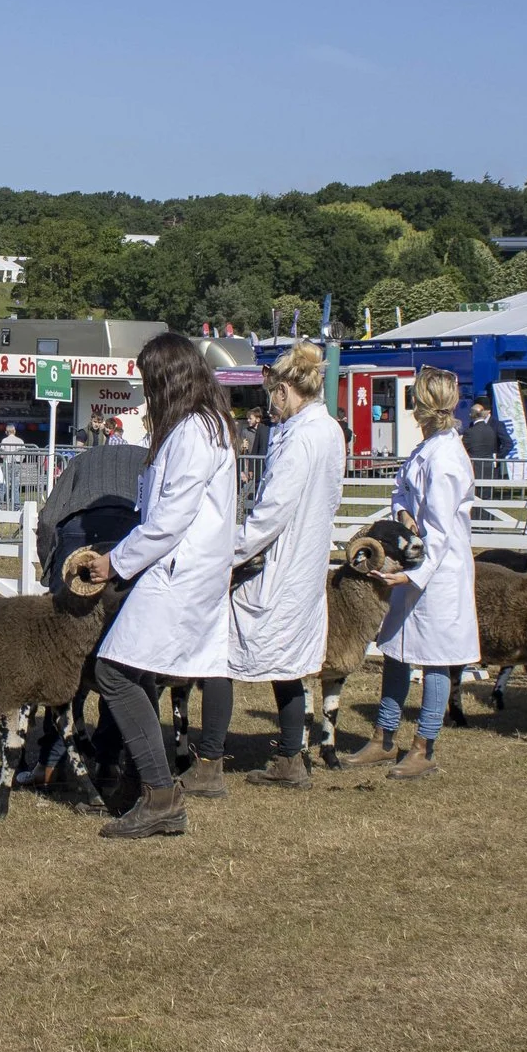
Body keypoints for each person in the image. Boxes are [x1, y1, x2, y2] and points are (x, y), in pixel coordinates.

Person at [76, 331, 238, 834]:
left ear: (168, 380)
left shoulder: (193, 432)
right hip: (181, 571)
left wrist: (114, 563)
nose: (147, 393)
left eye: (150, 382)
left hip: (177, 573)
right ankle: (138, 785)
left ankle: (161, 794)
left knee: (115, 673)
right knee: (138, 670)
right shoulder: (206, 428)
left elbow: (168, 521)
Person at [350, 367, 477, 778]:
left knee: (435, 659)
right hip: (414, 559)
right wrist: (403, 513)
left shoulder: (446, 459)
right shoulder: (427, 448)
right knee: (397, 651)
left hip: (437, 573)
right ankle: (384, 738)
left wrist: (412, 576)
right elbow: (401, 491)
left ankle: (425, 745)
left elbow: (439, 530)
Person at [233, 343, 348, 788]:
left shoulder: (301, 437)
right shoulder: (329, 431)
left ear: (283, 391)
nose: (268, 405)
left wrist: (233, 552)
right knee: (289, 661)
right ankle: (291, 754)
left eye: (271, 395)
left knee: (230, 646)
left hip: (282, 561)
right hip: (306, 558)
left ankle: (206, 757)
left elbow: (272, 511)